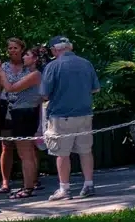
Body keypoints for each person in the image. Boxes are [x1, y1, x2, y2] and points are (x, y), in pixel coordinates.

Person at [37, 36, 99, 201]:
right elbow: (95, 89)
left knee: (62, 154)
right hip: (85, 114)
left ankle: (64, 189)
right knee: (86, 151)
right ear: (69, 47)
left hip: (61, 116)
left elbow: (44, 94)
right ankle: (89, 184)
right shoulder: (86, 63)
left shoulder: (53, 66)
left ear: (55, 50)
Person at [0, 39, 41, 197]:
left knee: (26, 150)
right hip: (9, 109)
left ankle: (29, 185)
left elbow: (11, 87)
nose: (12, 51)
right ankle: (9, 183)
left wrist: (1, 72)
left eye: (16, 48)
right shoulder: (4, 67)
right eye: (9, 48)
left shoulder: (31, 71)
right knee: (9, 146)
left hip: (24, 111)